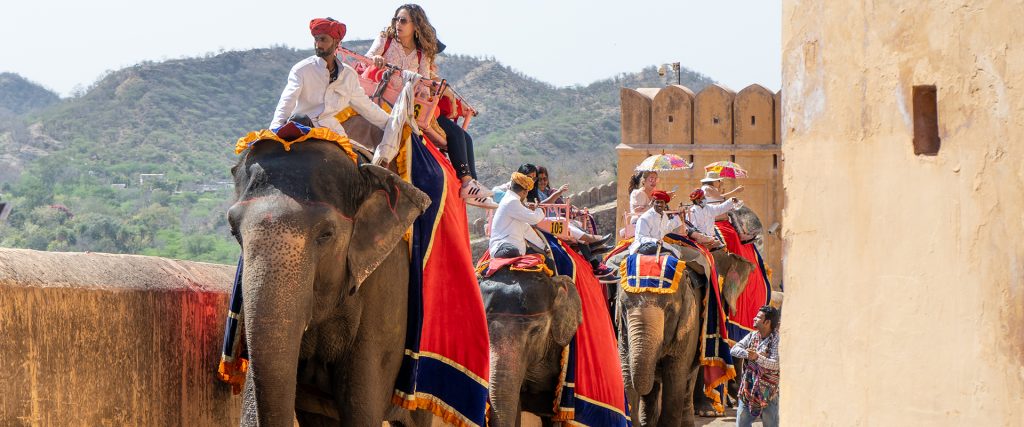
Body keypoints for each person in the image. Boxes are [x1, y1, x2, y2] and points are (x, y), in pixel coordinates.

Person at [367, 4, 494, 208]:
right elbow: (369, 58)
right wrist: (376, 59)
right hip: (383, 96)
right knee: (456, 134)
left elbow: (425, 82)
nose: (398, 24)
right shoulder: (385, 39)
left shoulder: (421, 54)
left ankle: (470, 183)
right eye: (396, 19)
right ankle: (468, 182)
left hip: (409, 103)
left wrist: (429, 92)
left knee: (464, 136)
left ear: (415, 26)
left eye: (403, 20)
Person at [271, 18, 390, 142]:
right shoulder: (302, 69)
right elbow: (287, 101)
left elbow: (366, 107)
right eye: (316, 39)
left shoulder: (348, 75)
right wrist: (274, 130)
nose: (318, 44)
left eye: (323, 39)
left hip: (333, 133)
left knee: (356, 154)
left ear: (336, 42)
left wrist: (392, 124)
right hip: (302, 128)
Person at [730, 305, 780, 427]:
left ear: (767, 322)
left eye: (758, 317)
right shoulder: (752, 336)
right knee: (742, 424)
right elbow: (734, 349)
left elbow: (775, 364)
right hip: (748, 388)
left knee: (771, 425)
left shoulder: (776, 340)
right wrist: (748, 354)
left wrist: (757, 357)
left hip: (769, 391)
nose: (754, 318)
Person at [489, 172, 547, 258]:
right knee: (513, 251)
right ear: (525, 192)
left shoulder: (512, 201)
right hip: (502, 246)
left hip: (517, 248)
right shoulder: (512, 201)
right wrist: (540, 209)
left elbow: (526, 229)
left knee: (546, 259)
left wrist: (543, 247)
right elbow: (534, 219)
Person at [628, 190, 683, 257]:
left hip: (659, 244)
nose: (659, 204)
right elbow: (641, 238)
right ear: (653, 203)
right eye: (657, 202)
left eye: (662, 202)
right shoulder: (645, 218)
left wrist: (678, 219)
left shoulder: (664, 216)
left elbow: (665, 230)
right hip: (645, 246)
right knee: (655, 247)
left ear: (665, 204)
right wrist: (655, 241)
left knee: (676, 248)